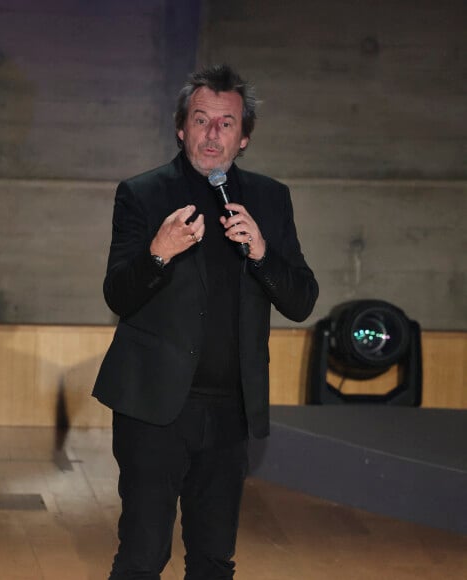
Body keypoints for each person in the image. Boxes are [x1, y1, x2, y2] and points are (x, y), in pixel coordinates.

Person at [93, 64, 318, 579]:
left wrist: (261, 252)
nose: (212, 134)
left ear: (244, 138)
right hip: (154, 409)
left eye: (226, 123)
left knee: (214, 560)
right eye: (200, 120)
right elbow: (118, 295)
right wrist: (157, 253)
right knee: (144, 556)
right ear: (180, 127)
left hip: (229, 413)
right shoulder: (142, 194)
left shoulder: (268, 199)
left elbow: (301, 300)